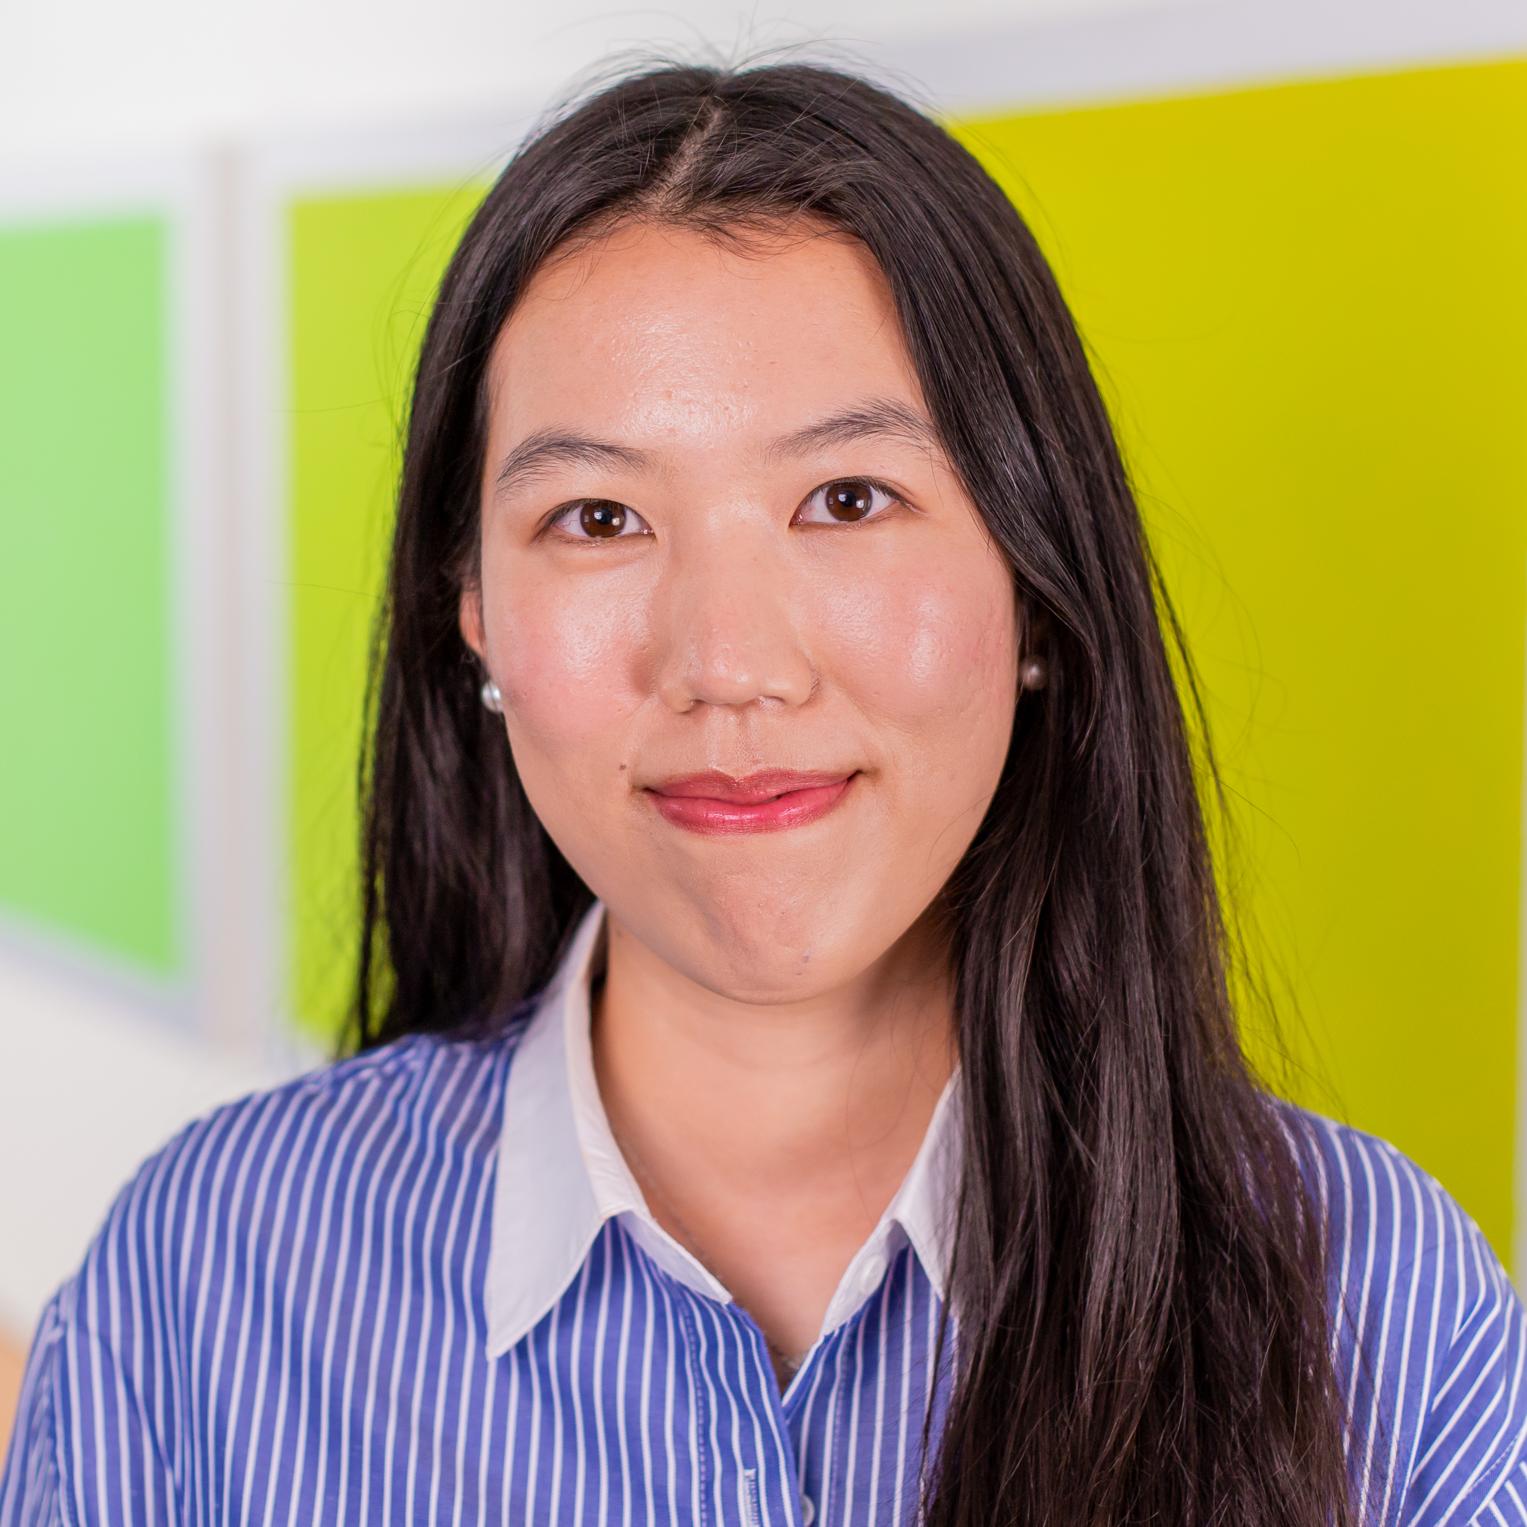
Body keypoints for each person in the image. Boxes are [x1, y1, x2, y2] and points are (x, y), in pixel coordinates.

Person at [4, 49, 1526, 1527]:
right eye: (598, 518)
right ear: (473, 615)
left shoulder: (1381, 1311)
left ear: (1036, 590)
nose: (729, 666)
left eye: (848, 499)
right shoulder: (200, 1286)